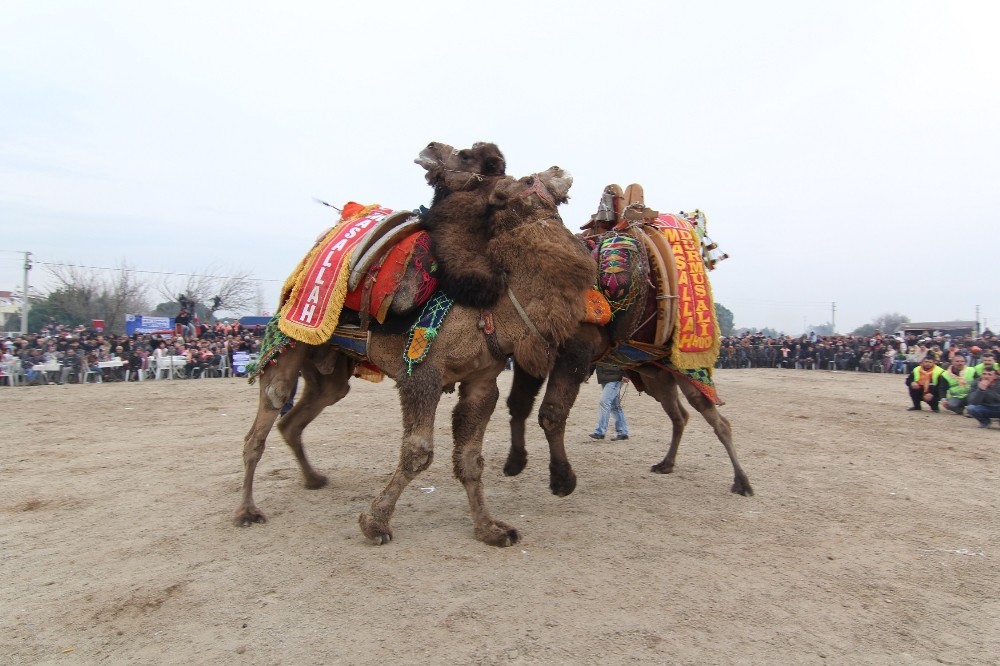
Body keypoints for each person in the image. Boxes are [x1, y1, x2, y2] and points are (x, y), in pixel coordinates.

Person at [589, 364, 630, 441]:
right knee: (614, 406)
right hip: (605, 377)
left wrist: (626, 374)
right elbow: (595, 360)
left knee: (604, 402)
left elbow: (626, 359)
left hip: (616, 377)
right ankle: (623, 432)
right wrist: (588, 374)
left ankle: (600, 431)